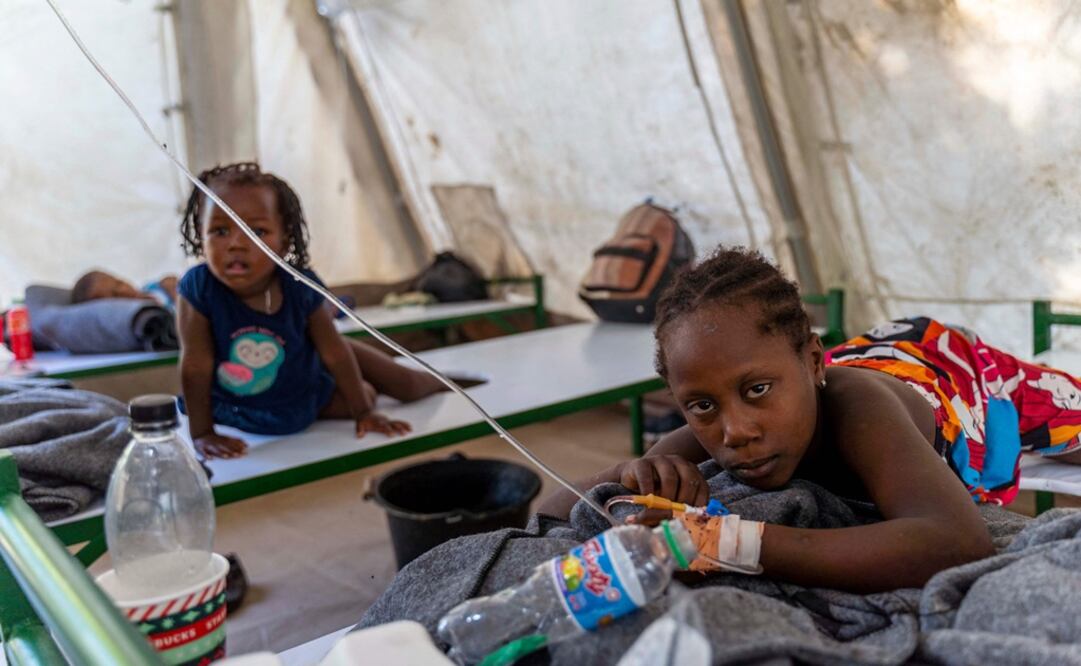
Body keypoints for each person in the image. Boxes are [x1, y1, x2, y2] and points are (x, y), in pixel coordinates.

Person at [540, 247, 1081, 592]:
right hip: (861, 353)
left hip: (947, 368)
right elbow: (549, 510)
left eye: (757, 391)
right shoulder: (720, 415)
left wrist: (722, 543)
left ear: (812, 364)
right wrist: (627, 472)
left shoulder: (858, 410)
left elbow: (957, 542)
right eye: (701, 406)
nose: (736, 432)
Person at [176, 162, 447, 460]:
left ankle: (446, 381)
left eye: (257, 231)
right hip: (240, 408)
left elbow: (335, 353)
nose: (236, 244)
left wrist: (364, 413)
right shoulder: (198, 287)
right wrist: (202, 433)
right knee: (364, 389)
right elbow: (196, 366)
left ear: (285, 241)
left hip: (304, 390)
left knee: (402, 387)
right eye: (220, 230)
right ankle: (327, 361)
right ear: (200, 235)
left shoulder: (299, 284)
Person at [71, 270, 178, 310]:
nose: (123, 291)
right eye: (115, 295)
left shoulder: (151, 287)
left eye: (119, 283)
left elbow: (172, 281)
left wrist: (171, 286)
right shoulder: (141, 316)